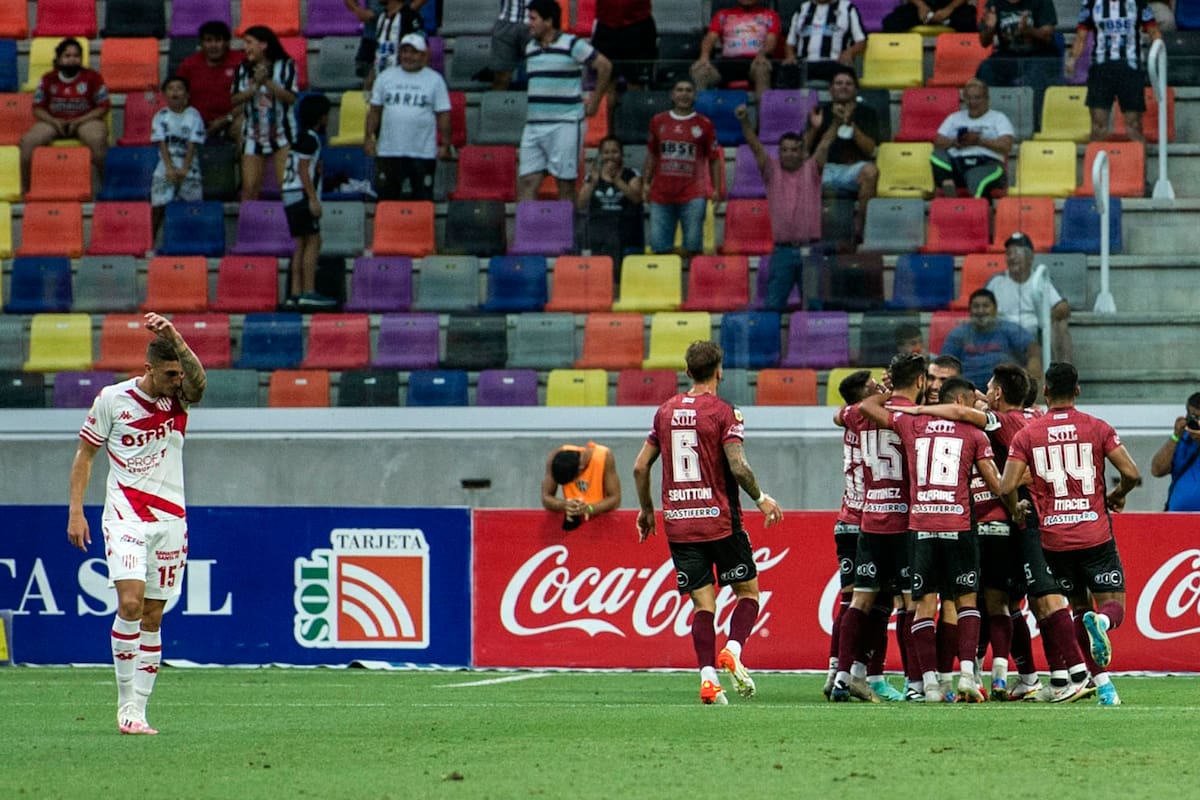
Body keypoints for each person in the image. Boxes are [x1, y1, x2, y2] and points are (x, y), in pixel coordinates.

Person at [67, 313, 207, 735]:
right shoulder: (112, 400)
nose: (176, 380)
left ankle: (139, 712)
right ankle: (125, 702)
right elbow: (85, 456)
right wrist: (76, 510)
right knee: (129, 604)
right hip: (125, 516)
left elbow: (200, 384)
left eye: (179, 373)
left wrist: (176, 338)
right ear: (147, 369)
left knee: (152, 615)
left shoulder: (180, 399)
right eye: (169, 374)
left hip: (171, 522)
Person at [632, 340, 784, 705]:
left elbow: (640, 467)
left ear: (687, 372)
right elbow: (738, 465)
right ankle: (732, 648)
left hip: (680, 524)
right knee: (747, 592)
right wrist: (761, 499)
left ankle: (707, 679)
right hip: (720, 522)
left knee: (704, 605)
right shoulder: (724, 412)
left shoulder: (664, 412)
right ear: (719, 371)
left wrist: (647, 510)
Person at [1001, 362, 1142, 706]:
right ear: (1078, 390)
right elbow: (1132, 473)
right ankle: (1103, 625)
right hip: (1095, 533)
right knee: (1111, 608)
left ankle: (1106, 687)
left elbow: (1006, 485)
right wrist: (1118, 493)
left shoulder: (1027, 434)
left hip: (1054, 539)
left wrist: (1016, 507)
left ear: (1045, 391)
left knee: (1078, 610)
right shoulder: (1097, 427)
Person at [862, 374, 1006, 702]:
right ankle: (967, 674)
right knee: (966, 599)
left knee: (924, 603)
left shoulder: (912, 425)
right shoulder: (974, 432)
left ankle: (928, 685)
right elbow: (996, 485)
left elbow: (866, 407)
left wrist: (891, 396)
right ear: (960, 402)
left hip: (922, 525)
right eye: (971, 402)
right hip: (958, 523)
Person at [831, 353, 924, 703]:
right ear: (918, 382)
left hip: (870, 518)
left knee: (860, 600)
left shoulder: (859, 413)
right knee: (908, 603)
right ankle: (915, 684)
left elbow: (840, 414)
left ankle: (843, 677)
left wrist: (880, 394)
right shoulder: (912, 416)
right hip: (903, 521)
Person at [735, 102, 831, 311]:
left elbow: (824, 144)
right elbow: (754, 145)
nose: (788, 154)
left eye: (794, 150)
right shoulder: (771, 170)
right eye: (784, 150)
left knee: (815, 307)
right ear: (779, 152)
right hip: (782, 252)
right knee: (772, 307)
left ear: (803, 152)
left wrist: (837, 123)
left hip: (811, 249)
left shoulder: (812, 169)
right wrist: (744, 122)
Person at [517, 0, 612, 202]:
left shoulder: (572, 44)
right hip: (533, 126)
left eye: (533, 19)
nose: (529, 23)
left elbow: (604, 66)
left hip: (565, 124)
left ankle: (567, 233)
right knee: (527, 181)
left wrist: (594, 103)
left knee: (565, 184)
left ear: (549, 21)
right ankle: (527, 233)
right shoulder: (530, 48)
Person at [365, 33, 452, 201]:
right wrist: (368, 138)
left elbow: (443, 114)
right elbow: (375, 111)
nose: (408, 56)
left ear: (423, 55)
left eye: (413, 52)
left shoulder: (435, 80)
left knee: (422, 200)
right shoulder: (385, 77)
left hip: (422, 152)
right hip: (388, 150)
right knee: (386, 201)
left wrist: (445, 144)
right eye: (404, 51)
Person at [19, 38, 110, 195]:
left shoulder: (93, 77)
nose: (72, 59)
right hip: (54, 121)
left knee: (97, 139)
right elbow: (37, 108)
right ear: (59, 59)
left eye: (76, 56)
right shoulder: (48, 79)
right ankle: (26, 190)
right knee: (28, 142)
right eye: (67, 56)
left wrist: (79, 120)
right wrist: (54, 121)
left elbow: (103, 106)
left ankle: (107, 187)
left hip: (85, 120)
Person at [643, 79, 722, 256]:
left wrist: (716, 188)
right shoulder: (658, 121)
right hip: (661, 195)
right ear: (672, 94)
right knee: (660, 248)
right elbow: (652, 155)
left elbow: (714, 159)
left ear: (694, 95)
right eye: (679, 90)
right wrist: (646, 183)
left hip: (693, 195)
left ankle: (693, 284)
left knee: (693, 248)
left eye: (688, 90)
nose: (684, 94)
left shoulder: (705, 124)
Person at [802, 66, 879, 245]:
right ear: (831, 89)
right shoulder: (818, 112)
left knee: (871, 172)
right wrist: (814, 128)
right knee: (799, 172)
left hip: (852, 169)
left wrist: (850, 123)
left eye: (848, 84)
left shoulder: (867, 112)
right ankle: (805, 230)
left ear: (855, 89)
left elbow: (869, 150)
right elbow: (804, 150)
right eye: (838, 83)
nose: (843, 87)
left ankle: (860, 227)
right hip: (825, 168)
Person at [1066, 0, 1161, 142]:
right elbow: (1081, 36)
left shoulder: (1138, 2)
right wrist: (1073, 59)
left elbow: (1154, 32)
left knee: (1134, 125)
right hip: (1101, 68)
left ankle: (1139, 162)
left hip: (1130, 68)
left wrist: (1159, 57)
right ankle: (1095, 162)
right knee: (1098, 125)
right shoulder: (1091, 3)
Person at [231, 25, 298, 201]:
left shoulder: (286, 65)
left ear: (263, 45)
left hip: (283, 134)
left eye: (249, 42)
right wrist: (255, 86)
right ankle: (247, 227)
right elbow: (234, 99)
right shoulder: (242, 68)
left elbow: (291, 98)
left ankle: (291, 227)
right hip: (252, 134)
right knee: (250, 190)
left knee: (288, 187)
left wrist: (267, 82)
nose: (245, 47)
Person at [985, 231, 1072, 364]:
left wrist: (1047, 317)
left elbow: (1062, 307)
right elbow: (980, 307)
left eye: (1017, 253)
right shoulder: (996, 282)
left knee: (1061, 324)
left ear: (1030, 257)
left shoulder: (1039, 280)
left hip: (1033, 333)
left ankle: (1064, 376)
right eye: (1009, 254)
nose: (1012, 257)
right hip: (1003, 333)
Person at [281, 94, 333, 310]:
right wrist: (313, 199)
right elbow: (303, 169)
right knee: (314, 241)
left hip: (289, 194)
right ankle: (309, 290)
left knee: (300, 244)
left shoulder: (299, 137)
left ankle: (295, 292)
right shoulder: (311, 138)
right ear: (321, 117)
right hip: (300, 195)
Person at [976, 0, 1061, 120]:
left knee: (1034, 77)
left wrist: (1030, 31)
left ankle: (1033, 123)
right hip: (1009, 55)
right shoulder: (994, 4)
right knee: (986, 68)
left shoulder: (1042, 2)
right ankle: (988, 120)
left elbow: (1048, 36)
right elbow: (984, 42)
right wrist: (990, 29)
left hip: (1040, 54)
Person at [930, 79, 1014, 199]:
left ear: (987, 99)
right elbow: (937, 142)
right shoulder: (954, 118)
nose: (972, 102)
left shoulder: (998, 118)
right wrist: (955, 142)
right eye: (968, 98)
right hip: (958, 165)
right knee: (936, 155)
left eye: (977, 98)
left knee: (976, 178)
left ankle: (974, 209)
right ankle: (948, 186)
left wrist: (979, 141)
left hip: (987, 165)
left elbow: (1006, 146)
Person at [940, 288, 1040, 389]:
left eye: (986, 306)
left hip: (1005, 389)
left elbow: (1032, 348)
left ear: (995, 309)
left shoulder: (1008, 328)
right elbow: (944, 362)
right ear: (969, 310)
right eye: (976, 306)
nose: (981, 311)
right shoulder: (959, 333)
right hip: (968, 389)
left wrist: (1033, 365)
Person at [575, 135, 644, 271]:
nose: (610, 156)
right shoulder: (593, 176)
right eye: (606, 152)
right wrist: (592, 183)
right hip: (599, 227)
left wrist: (617, 181)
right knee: (597, 231)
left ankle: (615, 280)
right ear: (600, 155)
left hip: (624, 225)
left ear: (622, 154)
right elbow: (580, 204)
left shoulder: (632, 174)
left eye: (614, 152)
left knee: (614, 235)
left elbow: (636, 198)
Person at [691, 0, 782, 101]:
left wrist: (762, 54)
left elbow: (771, 41)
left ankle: (762, 115)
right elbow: (710, 39)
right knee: (700, 71)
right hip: (727, 63)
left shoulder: (770, 15)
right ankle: (701, 114)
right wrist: (704, 57)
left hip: (755, 62)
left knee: (762, 69)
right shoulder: (722, 15)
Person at [150, 76, 206, 239]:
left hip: (189, 166)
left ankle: (194, 242)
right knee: (158, 206)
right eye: (171, 88)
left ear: (187, 95)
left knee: (193, 208)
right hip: (165, 166)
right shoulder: (160, 116)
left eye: (179, 88)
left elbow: (192, 144)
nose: (175, 92)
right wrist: (169, 168)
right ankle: (150, 243)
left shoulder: (194, 116)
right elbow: (161, 144)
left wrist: (184, 169)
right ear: (165, 94)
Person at [175, 20, 245, 143]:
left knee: (242, 126)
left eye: (218, 40)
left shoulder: (241, 62)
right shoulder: (189, 64)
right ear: (201, 43)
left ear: (227, 43)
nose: (213, 45)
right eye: (208, 40)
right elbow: (178, 97)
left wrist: (226, 119)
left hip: (231, 120)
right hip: (196, 122)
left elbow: (249, 98)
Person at [782, 0, 868, 84]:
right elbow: (790, 42)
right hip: (804, 64)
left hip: (834, 62)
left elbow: (861, 41)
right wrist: (790, 56)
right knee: (785, 74)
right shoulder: (801, 9)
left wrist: (849, 53)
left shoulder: (847, 8)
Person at [541, 442, 622, 530]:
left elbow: (615, 499)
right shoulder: (556, 457)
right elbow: (546, 497)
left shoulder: (604, 456)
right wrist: (564, 505)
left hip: (601, 522)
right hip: (571, 523)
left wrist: (590, 508)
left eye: (573, 479)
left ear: (580, 469)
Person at [590, 0, 657, 95]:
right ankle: (607, 109)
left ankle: (633, 108)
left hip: (638, 26)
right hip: (607, 26)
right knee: (605, 80)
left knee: (636, 81)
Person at [1150, 392, 1200, 511]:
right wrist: (1175, 436)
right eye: (1195, 417)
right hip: (1178, 520)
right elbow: (1157, 471)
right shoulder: (1181, 440)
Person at [366, 0, 429, 89]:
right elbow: (378, 51)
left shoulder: (410, 16)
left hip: (402, 83)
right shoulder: (381, 17)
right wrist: (371, 77)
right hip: (381, 81)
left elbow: (424, 50)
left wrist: (418, 81)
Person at [490, 0, 531, 91]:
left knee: (538, 74)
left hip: (536, 24)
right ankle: (498, 104)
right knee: (501, 75)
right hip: (506, 23)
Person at [345, 0, 386, 78]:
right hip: (371, 36)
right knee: (365, 73)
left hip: (399, 33)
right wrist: (359, 11)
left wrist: (406, 14)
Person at [882, 0, 978, 32]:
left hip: (951, 8)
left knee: (970, 22)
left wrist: (949, 9)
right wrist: (920, 5)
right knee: (890, 23)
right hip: (922, 7)